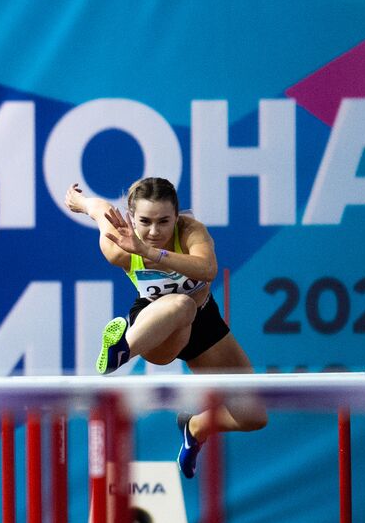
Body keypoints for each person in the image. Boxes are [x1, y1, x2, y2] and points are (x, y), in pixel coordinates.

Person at [65, 178, 266, 477]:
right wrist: (79, 202)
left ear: (177, 216)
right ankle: (122, 350)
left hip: (203, 323)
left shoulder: (190, 231)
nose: (154, 231)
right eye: (145, 222)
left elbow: (208, 268)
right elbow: (100, 209)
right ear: (132, 218)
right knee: (180, 305)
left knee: (253, 417)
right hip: (157, 326)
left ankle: (194, 426)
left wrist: (148, 252)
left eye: (164, 222)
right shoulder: (118, 246)